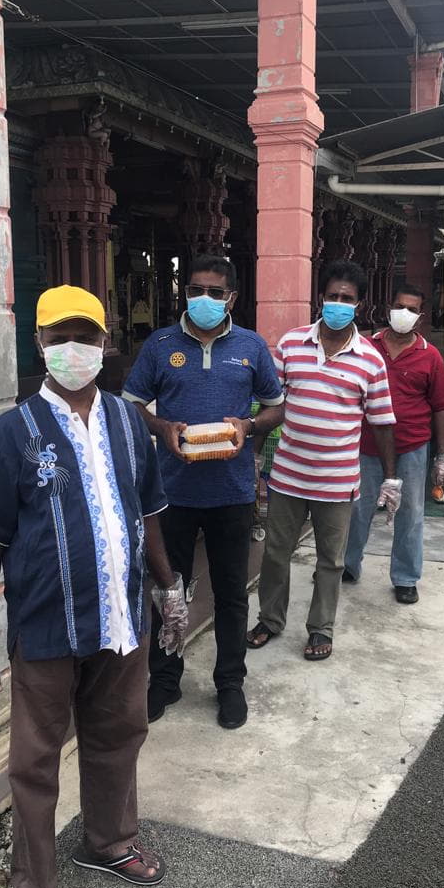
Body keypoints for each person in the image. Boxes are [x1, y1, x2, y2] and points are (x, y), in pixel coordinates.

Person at [0, 285, 189, 888]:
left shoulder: (127, 421)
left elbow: (148, 513)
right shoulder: (14, 432)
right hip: (47, 625)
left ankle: (109, 841)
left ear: (105, 343)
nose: (73, 349)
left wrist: (169, 588)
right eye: (59, 338)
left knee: (120, 733)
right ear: (39, 345)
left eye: (85, 337)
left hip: (121, 619)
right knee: (34, 762)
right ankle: (31, 887)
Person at [122, 254, 284, 730]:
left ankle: (229, 683)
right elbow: (131, 405)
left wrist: (248, 425)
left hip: (232, 493)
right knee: (167, 589)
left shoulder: (251, 346)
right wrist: (161, 427)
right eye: (196, 290)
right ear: (185, 293)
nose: (204, 299)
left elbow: (277, 407)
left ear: (231, 297)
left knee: (231, 594)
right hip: (172, 493)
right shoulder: (160, 345)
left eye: (215, 292)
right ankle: (165, 679)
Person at [247, 259, 400, 661]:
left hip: (337, 480)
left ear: (359, 305)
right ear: (320, 298)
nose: (338, 304)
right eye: (333, 296)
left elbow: (382, 422)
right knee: (276, 553)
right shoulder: (291, 344)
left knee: (331, 560)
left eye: (347, 299)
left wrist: (391, 478)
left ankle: (320, 628)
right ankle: (270, 619)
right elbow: (271, 404)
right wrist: (253, 456)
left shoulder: (371, 359)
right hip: (288, 475)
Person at [343, 282, 444, 604]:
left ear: (420, 316)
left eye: (411, 309)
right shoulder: (365, 348)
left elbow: (441, 409)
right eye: (399, 307)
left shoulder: (429, 356)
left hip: (411, 448)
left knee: (410, 513)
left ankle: (406, 578)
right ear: (388, 309)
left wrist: (443, 456)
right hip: (367, 446)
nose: (403, 313)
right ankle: (347, 564)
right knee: (357, 508)